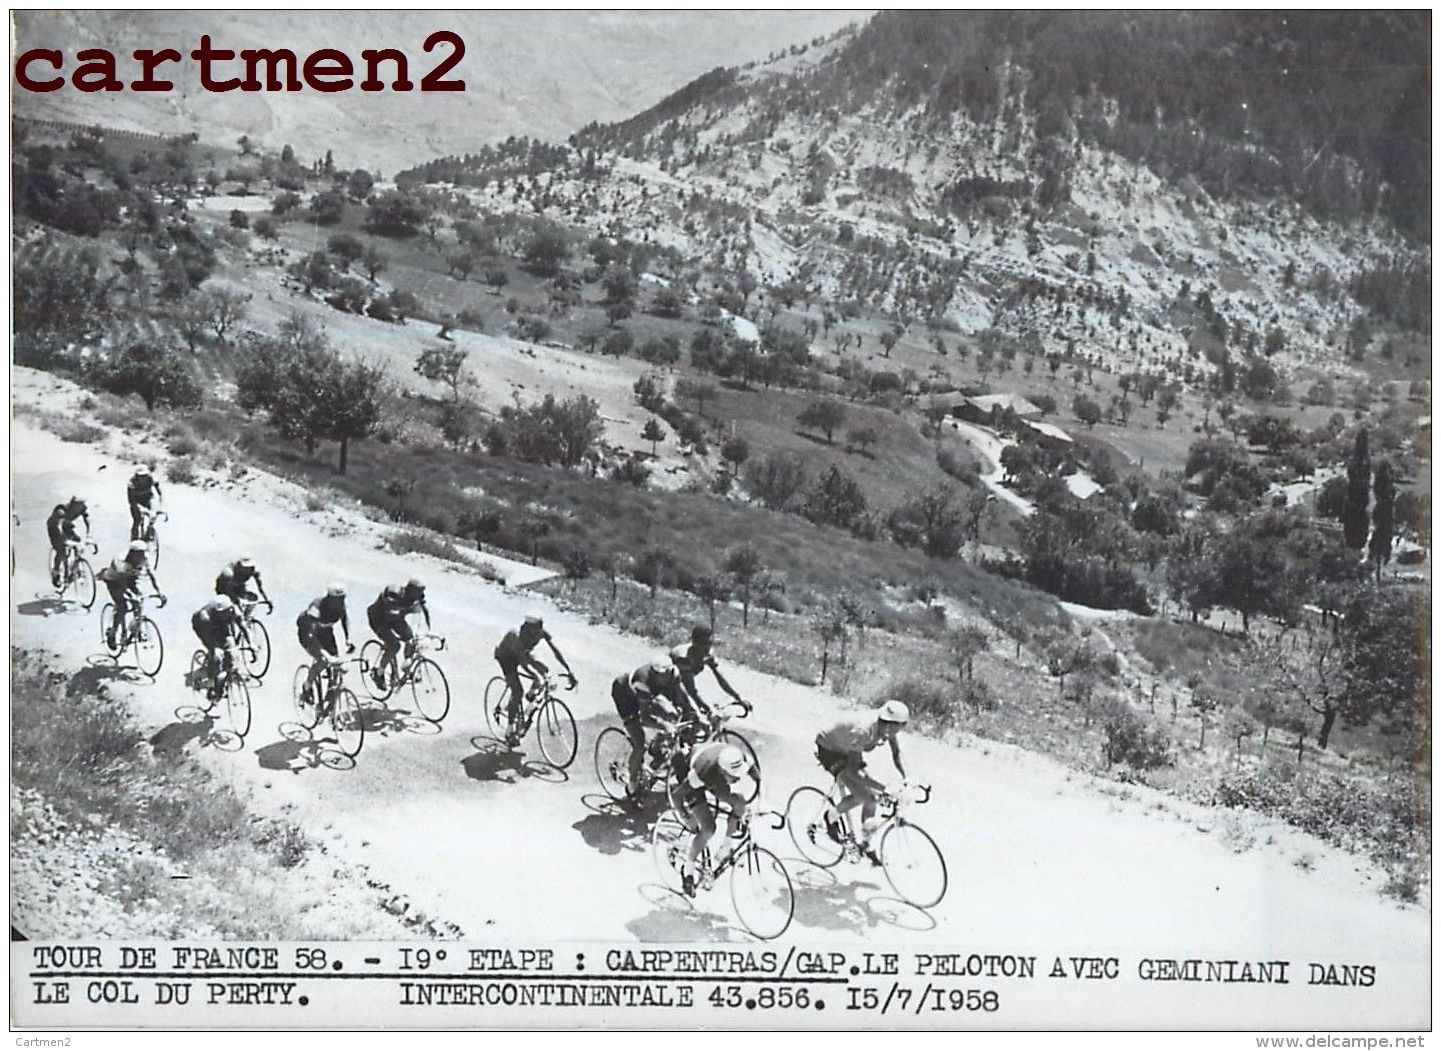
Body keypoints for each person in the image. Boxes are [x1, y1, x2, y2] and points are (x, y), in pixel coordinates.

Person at [813, 700, 910, 863]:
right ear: (889, 724)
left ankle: (866, 844)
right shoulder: (864, 730)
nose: (896, 733)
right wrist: (885, 788)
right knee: (864, 796)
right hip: (829, 749)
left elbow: (896, 753)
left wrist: (907, 777)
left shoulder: (887, 727)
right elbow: (854, 771)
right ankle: (830, 816)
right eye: (896, 729)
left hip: (848, 748)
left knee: (871, 798)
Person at [609, 660, 694, 798]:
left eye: (665, 675)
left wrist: (694, 714)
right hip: (625, 696)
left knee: (672, 716)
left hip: (647, 696)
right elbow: (645, 718)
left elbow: (684, 698)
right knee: (639, 743)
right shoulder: (642, 681)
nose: (664, 678)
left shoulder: (673, 673)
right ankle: (632, 782)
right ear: (654, 674)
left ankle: (656, 748)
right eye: (659, 675)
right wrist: (664, 725)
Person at [679, 742, 754, 897]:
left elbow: (757, 778)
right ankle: (688, 871)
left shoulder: (738, 757)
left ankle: (726, 847)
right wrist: (686, 816)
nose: (738, 779)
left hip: (714, 773)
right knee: (708, 828)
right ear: (722, 771)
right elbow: (676, 795)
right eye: (734, 776)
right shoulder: (702, 773)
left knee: (740, 803)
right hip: (692, 773)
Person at [493, 615, 576, 744]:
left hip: (523, 653)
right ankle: (509, 730)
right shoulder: (516, 635)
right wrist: (536, 676)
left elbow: (555, 651)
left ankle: (530, 697)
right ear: (528, 628)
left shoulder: (540, 632)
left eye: (540, 627)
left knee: (544, 670)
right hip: (507, 657)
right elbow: (523, 663)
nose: (539, 631)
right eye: (536, 629)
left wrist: (568, 670)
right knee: (517, 691)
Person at [670, 624, 749, 719]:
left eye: (710, 643)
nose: (707, 647)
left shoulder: (707, 655)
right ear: (694, 642)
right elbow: (689, 691)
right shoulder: (683, 658)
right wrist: (708, 709)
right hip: (665, 686)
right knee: (693, 718)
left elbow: (721, 680)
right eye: (704, 643)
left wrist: (738, 698)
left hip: (680, 687)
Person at [97, 541, 163, 648]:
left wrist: (160, 593)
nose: (143, 556)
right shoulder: (121, 561)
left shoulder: (144, 558)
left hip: (130, 578)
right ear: (133, 553)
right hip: (114, 580)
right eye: (140, 554)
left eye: (144, 553)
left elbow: (152, 575)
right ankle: (112, 634)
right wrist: (130, 595)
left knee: (139, 602)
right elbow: (122, 583)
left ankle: (136, 628)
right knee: (123, 607)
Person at [367, 578, 431, 688]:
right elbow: (388, 612)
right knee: (394, 646)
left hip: (396, 618)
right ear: (410, 589)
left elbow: (425, 610)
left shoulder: (418, 596)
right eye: (418, 591)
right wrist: (395, 636)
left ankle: (407, 669)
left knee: (411, 639)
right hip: (379, 620)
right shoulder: (394, 592)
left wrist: (428, 630)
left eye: (422, 591)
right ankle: (379, 673)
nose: (420, 594)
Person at [297, 583, 354, 703]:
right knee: (323, 660)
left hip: (326, 632)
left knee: (337, 662)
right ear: (330, 598)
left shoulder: (341, 606)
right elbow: (310, 636)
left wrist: (349, 638)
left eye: (342, 598)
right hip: (308, 634)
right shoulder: (316, 607)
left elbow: (345, 619)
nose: (340, 602)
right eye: (337, 599)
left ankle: (331, 690)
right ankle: (306, 687)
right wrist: (323, 653)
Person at [191, 595, 243, 698]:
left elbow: (243, 627)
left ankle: (223, 681)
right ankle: (211, 685)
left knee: (232, 653)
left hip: (220, 625)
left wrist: (252, 644)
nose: (225, 614)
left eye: (226, 611)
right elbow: (209, 639)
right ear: (216, 612)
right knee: (216, 655)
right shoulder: (204, 617)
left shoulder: (234, 611)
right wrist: (215, 649)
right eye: (221, 613)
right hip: (203, 627)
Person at [46, 495, 91, 587]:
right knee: (61, 551)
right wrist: (64, 540)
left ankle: (75, 567)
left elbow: (87, 519)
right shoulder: (61, 511)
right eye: (78, 505)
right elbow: (58, 527)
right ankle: (56, 571)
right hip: (54, 528)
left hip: (66, 525)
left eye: (82, 504)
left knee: (78, 541)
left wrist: (89, 534)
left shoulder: (82, 508)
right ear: (73, 505)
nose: (81, 507)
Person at [126, 465, 162, 541]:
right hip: (136, 500)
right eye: (140, 476)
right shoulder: (132, 482)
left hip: (147, 499)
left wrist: (160, 496)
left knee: (152, 515)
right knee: (137, 520)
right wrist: (136, 507)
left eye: (144, 475)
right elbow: (130, 498)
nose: (143, 477)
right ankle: (134, 538)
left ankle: (150, 531)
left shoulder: (151, 478)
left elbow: (157, 488)